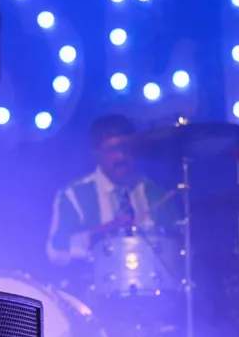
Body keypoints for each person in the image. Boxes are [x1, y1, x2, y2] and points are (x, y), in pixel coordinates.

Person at [46, 114, 179, 266]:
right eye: (112, 150)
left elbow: (177, 246)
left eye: (126, 149)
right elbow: (55, 251)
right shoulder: (73, 195)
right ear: (96, 153)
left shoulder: (157, 195)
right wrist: (101, 233)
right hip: (89, 286)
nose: (121, 157)